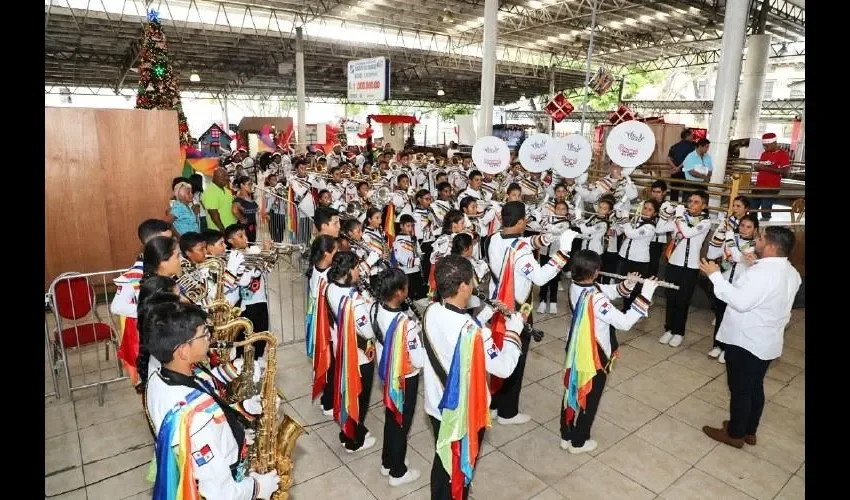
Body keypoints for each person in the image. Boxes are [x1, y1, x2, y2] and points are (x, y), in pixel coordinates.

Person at [144, 301, 280, 500]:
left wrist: (245, 410)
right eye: (203, 334)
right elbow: (221, 494)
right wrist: (258, 487)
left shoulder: (158, 379)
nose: (209, 338)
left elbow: (209, 407)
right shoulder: (197, 421)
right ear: (182, 351)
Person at [423, 255, 523, 500]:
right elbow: (504, 367)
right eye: (471, 280)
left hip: (436, 403)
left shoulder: (431, 310)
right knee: (459, 467)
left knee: (443, 457)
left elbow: (461, 329)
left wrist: (487, 312)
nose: (474, 284)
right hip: (461, 413)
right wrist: (513, 332)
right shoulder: (475, 333)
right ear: (463, 287)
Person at [699, 226, 801, 448]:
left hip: (746, 340)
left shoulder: (762, 274)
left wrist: (715, 276)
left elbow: (741, 302)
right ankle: (749, 430)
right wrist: (753, 264)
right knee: (755, 386)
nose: (756, 240)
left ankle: (735, 434)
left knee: (740, 389)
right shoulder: (790, 272)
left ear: (772, 246)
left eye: (761, 238)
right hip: (767, 340)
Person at [486, 201, 578, 425]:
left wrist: (547, 237)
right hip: (517, 307)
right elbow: (540, 277)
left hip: (497, 304)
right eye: (525, 219)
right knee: (514, 355)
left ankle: (494, 404)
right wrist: (563, 252)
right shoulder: (522, 253)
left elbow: (522, 241)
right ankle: (508, 413)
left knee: (497, 351)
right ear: (520, 222)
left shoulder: (494, 239)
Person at [561, 251, 659, 453]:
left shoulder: (577, 285)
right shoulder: (595, 298)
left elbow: (608, 291)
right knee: (591, 395)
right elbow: (624, 322)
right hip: (593, 353)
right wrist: (646, 295)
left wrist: (628, 285)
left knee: (572, 389)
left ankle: (567, 434)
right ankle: (579, 441)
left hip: (576, 347)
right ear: (596, 272)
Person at [371, 267, 426, 487]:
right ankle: (397, 471)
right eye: (405, 288)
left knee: (392, 418)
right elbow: (419, 360)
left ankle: (387, 461)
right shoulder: (406, 323)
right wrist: (420, 334)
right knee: (402, 423)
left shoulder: (375, 307)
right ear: (399, 293)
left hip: (387, 372)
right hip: (405, 376)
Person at [325, 251, 378, 453]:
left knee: (349, 393)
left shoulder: (331, 287)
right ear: (348, 271)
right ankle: (353, 440)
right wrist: (371, 305)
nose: (359, 271)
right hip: (360, 353)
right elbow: (368, 329)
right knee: (359, 397)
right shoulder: (354, 301)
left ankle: (351, 430)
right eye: (356, 267)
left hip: (342, 348)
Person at [657, 191, 713, 348]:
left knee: (683, 300)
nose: (691, 204)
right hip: (674, 263)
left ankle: (679, 332)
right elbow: (659, 229)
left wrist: (679, 216)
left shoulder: (706, 222)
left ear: (704, 205)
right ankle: (669, 329)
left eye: (696, 202)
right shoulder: (680, 219)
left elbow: (688, 233)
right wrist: (666, 214)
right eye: (689, 201)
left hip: (690, 267)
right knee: (671, 298)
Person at [705, 214, 759, 364]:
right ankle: (717, 345)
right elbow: (726, 259)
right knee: (720, 315)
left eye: (749, 227)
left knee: (732, 318)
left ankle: (728, 349)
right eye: (742, 225)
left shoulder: (754, 245)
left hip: (739, 286)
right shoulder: (732, 239)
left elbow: (736, 256)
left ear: (755, 229)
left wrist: (729, 238)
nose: (744, 229)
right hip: (724, 282)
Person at [305, 235, 339, 416]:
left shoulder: (317, 270)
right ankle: (329, 402)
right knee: (330, 366)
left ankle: (328, 399)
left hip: (324, 324)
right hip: (327, 326)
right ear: (327, 254)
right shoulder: (326, 277)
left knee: (329, 365)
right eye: (335, 251)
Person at [752, 132, 791, 222]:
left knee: (765, 211)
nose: (765, 148)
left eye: (767, 146)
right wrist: (757, 167)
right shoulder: (764, 154)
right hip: (758, 186)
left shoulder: (783, 154)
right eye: (764, 145)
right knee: (752, 209)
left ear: (774, 143)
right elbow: (762, 168)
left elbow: (785, 173)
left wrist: (765, 168)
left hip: (771, 187)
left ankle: (765, 230)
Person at [202, 167, 238, 232]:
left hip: (231, 228)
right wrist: (223, 231)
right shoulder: (210, 192)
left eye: (227, 176)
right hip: (220, 231)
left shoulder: (227, 191)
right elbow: (213, 213)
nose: (226, 178)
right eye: (223, 176)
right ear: (214, 177)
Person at [666, 129, 695, 202]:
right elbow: (687, 160)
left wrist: (675, 168)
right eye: (692, 135)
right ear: (688, 136)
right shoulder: (692, 147)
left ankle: (672, 207)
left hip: (675, 173)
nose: (693, 137)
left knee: (674, 191)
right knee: (687, 192)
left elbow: (668, 158)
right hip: (687, 173)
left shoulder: (674, 146)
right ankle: (684, 208)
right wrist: (679, 167)